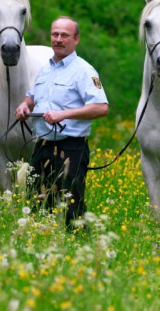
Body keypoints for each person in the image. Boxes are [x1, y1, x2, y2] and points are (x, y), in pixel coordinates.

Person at [15, 16, 109, 231]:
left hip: (71, 147)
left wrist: (63, 114)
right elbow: (32, 96)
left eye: (64, 35)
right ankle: (41, 247)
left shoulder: (84, 71)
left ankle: (79, 249)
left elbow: (101, 107)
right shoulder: (46, 69)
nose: (58, 39)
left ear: (76, 39)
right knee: (35, 203)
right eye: (55, 34)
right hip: (42, 145)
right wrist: (24, 105)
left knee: (71, 207)